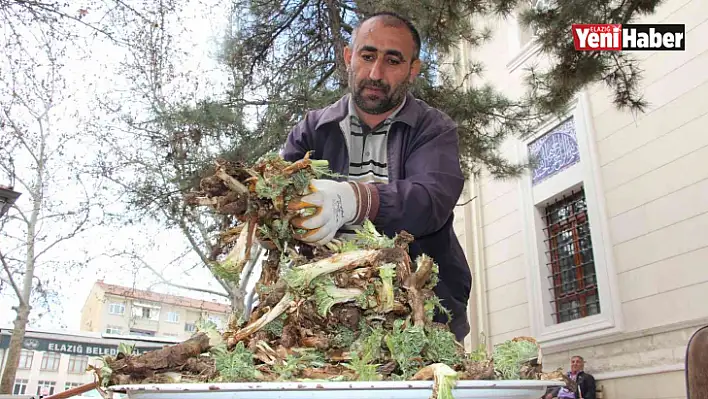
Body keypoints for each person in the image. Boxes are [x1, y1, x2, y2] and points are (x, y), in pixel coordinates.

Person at [280, 11, 472, 342]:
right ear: (348, 57)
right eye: (367, 56)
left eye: (393, 61)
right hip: (323, 310)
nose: (375, 73)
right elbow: (280, 201)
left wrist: (355, 199)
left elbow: (430, 200)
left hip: (423, 309)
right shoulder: (313, 130)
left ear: (413, 69)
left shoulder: (434, 128)